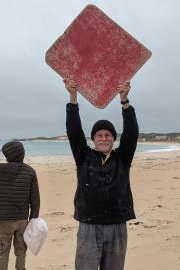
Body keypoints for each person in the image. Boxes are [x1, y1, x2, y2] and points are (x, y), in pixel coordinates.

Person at [64, 78, 138, 270]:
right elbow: (74, 131)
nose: (104, 138)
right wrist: (73, 97)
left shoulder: (123, 157)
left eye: (108, 135)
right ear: (94, 139)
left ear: (113, 139)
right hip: (89, 224)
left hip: (117, 224)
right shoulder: (83, 156)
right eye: (99, 135)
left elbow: (132, 133)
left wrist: (124, 101)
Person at [0, 140, 40, 270]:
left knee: (3, 249)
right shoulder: (30, 171)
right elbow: (35, 199)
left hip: (4, 219)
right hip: (22, 219)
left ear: (8, 156)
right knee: (21, 249)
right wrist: (33, 218)